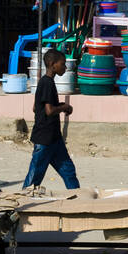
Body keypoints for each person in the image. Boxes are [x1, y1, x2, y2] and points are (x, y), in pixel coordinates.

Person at [24, 49, 79, 190]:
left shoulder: (45, 82)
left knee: (68, 171)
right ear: (52, 64)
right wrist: (64, 107)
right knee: (35, 176)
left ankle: (79, 200)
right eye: (63, 64)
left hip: (54, 138)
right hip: (44, 139)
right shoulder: (47, 83)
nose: (65, 67)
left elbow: (37, 108)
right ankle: (23, 202)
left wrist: (60, 106)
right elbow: (49, 111)